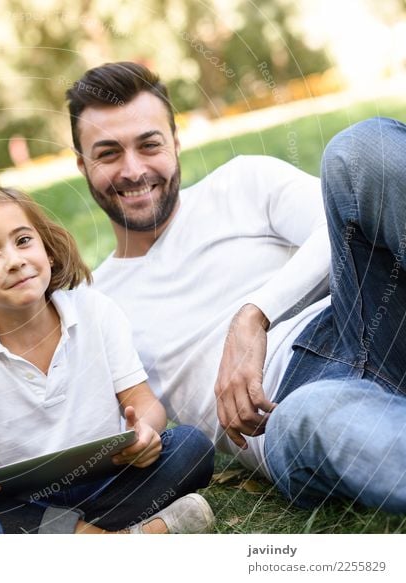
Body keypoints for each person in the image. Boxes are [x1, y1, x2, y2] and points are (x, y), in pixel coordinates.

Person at [66, 61, 406, 511]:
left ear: (175, 142)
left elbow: (341, 225)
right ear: (82, 165)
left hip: (367, 319)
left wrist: (254, 315)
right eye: (108, 154)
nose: (133, 170)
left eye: (149, 145)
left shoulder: (243, 182)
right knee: (317, 417)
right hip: (289, 406)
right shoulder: (94, 304)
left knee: (362, 149)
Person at [0, 183, 215, 534]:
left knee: (190, 446)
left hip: (113, 480)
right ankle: (122, 536)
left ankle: (73, 539)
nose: (15, 261)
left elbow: (143, 403)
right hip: (31, 502)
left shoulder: (95, 311)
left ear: (46, 250)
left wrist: (145, 434)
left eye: (23, 241)